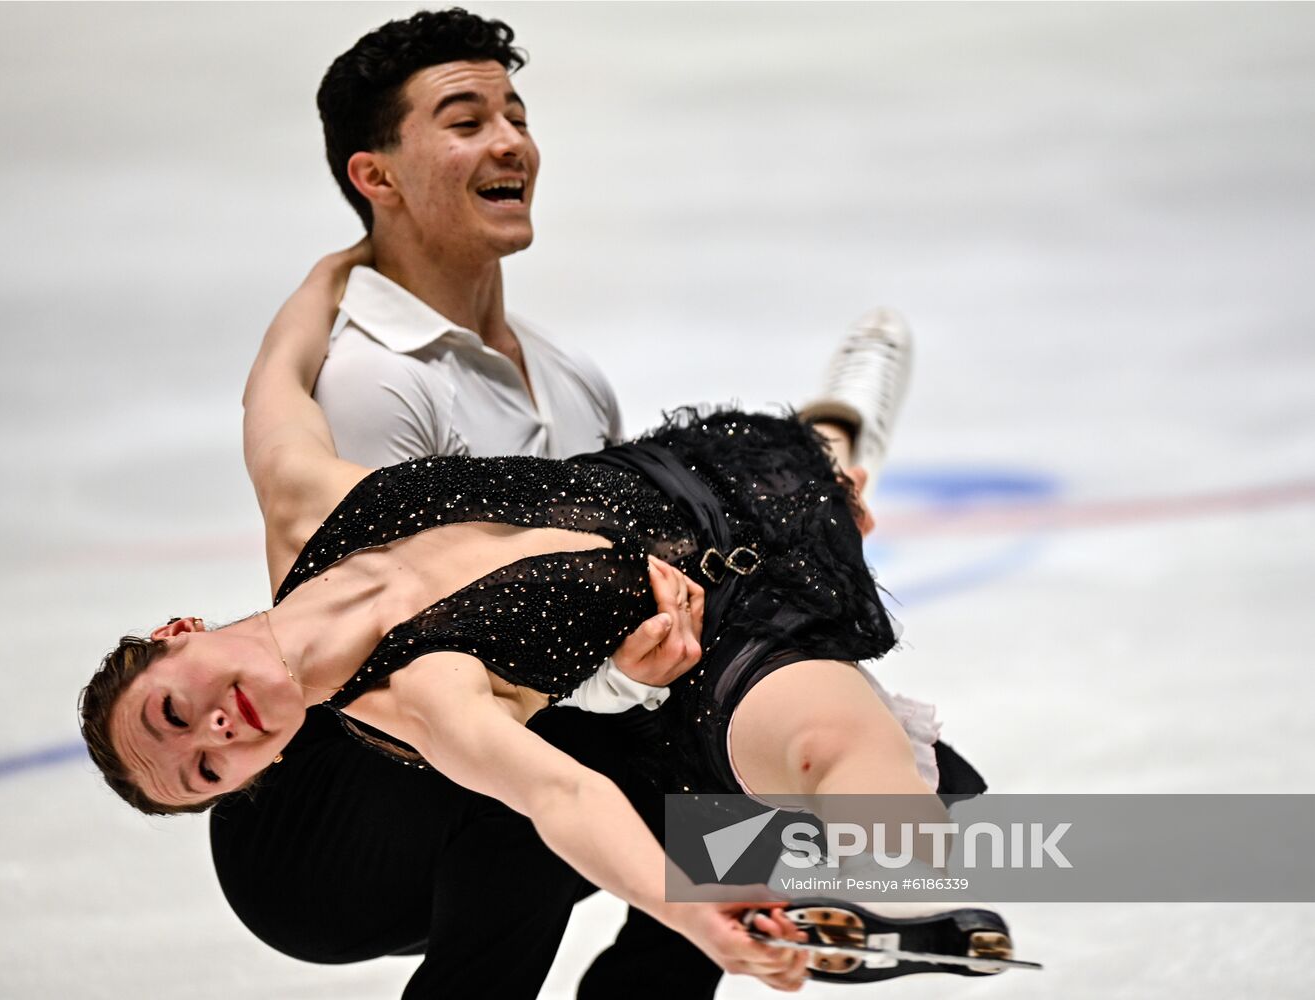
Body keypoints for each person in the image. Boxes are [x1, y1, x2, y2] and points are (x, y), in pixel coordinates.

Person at [201, 9, 920, 998]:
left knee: (732, 775)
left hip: (510, 722)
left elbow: (616, 567)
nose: (509, 142)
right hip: (336, 813)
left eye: (516, 114)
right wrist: (626, 685)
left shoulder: (564, 375)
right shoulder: (379, 382)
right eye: (464, 120)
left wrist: (789, 536)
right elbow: (424, 661)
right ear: (376, 177)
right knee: (592, 774)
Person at [81, 234, 1017, 993]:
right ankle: (898, 896)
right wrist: (693, 913)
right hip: (727, 633)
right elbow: (560, 797)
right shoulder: (415, 698)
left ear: (177, 635)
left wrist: (336, 267)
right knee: (830, 744)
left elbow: (276, 379)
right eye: (209, 771)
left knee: (820, 461)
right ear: (254, 775)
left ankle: (846, 418)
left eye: (172, 711)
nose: (215, 732)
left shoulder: (307, 508)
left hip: (693, 478)